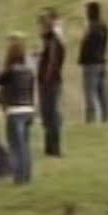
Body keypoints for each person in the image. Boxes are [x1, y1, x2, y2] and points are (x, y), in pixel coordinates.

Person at [0, 39, 37, 184]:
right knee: (25, 145)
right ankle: (27, 175)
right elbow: (32, 91)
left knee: (15, 145)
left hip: (14, 110)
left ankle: (19, 177)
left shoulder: (11, 71)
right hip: (28, 109)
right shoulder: (29, 71)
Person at [37, 8, 66, 157]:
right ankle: (50, 147)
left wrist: (45, 80)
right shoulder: (50, 40)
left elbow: (52, 63)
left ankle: (55, 149)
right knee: (48, 115)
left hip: (51, 82)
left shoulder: (53, 40)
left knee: (51, 114)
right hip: (50, 82)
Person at [78, 1, 108, 123]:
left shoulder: (94, 27)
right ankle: (106, 117)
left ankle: (91, 118)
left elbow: (89, 45)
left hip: (91, 63)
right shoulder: (103, 26)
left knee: (90, 92)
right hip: (101, 61)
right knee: (103, 92)